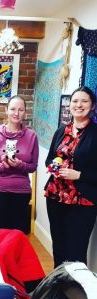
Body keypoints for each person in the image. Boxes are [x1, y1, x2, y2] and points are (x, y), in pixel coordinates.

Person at [45, 86, 97, 268]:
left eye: (84, 101)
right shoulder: (61, 131)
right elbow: (49, 159)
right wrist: (53, 166)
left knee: (76, 250)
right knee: (59, 247)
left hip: (82, 202)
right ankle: (58, 287)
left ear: (92, 106)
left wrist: (79, 175)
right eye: (75, 101)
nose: (78, 105)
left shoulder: (95, 133)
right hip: (55, 197)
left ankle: (74, 292)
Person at [0, 95, 39, 237]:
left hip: (21, 192)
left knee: (16, 237)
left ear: (25, 112)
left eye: (21, 110)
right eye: (13, 109)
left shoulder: (31, 136)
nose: (16, 113)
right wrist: (3, 166)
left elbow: (33, 166)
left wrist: (19, 164)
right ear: (6, 110)